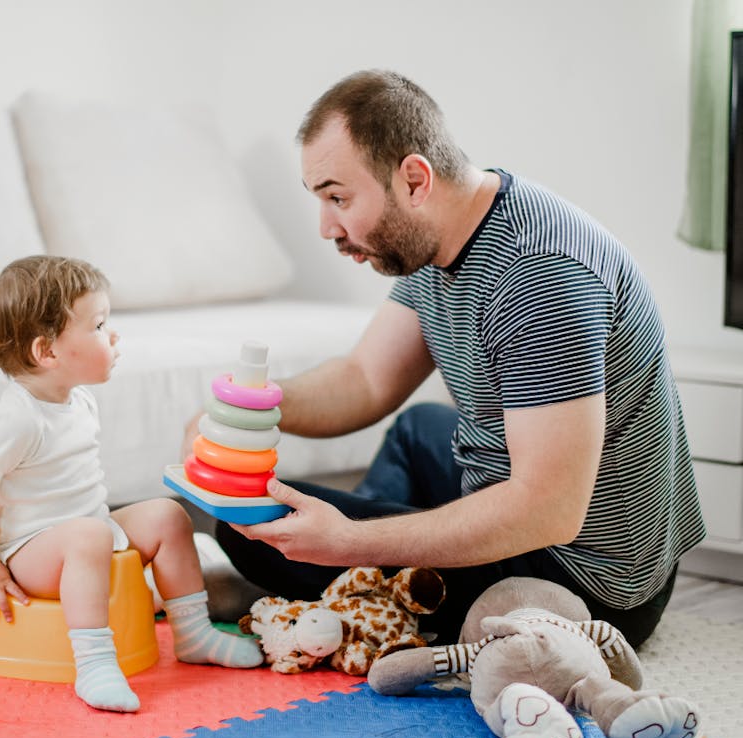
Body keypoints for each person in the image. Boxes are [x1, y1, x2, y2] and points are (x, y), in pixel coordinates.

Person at [190, 70, 706, 649]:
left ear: (414, 179)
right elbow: (364, 381)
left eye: (338, 197)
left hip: (587, 582)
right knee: (416, 428)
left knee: (249, 530)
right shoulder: (439, 235)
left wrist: (351, 541)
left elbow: (550, 510)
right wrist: (242, 413)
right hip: (519, 501)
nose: (326, 227)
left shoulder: (539, 275)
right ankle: (374, 579)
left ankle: (358, 580)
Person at [0, 255, 261, 714]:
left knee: (169, 515)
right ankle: (94, 662)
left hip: (88, 531)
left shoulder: (77, 400)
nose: (112, 336)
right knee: (89, 535)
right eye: (98, 326)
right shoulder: (16, 419)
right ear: (48, 353)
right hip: (31, 552)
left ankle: (194, 634)